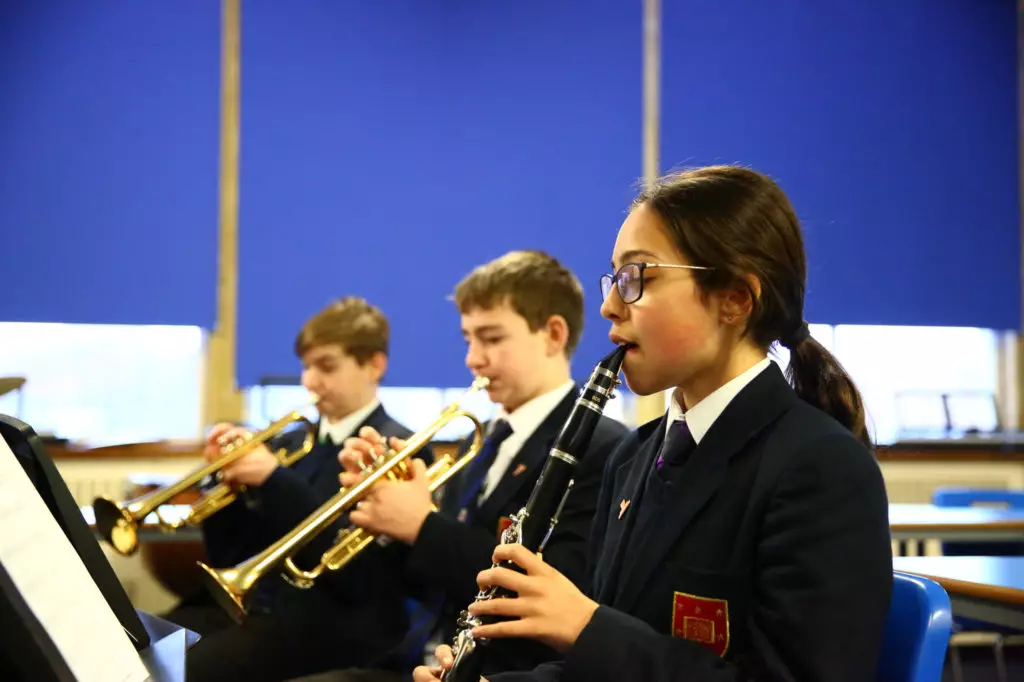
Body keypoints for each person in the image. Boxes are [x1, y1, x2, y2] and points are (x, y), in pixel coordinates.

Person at [415, 165, 893, 682]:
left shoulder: (819, 468)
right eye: (614, 278)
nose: (608, 306)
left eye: (636, 277)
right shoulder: (633, 458)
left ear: (734, 298)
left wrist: (586, 626)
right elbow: (594, 670)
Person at [289, 251, 628, 682]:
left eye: (491, 338)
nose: (472, 359)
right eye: (468, 339)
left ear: (553, 335)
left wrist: (422, 525)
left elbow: (553, 587)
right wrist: (387, 520)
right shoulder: (481, 439)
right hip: (426, 656)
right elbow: (433, 582)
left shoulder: (602, 447)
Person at [167, 296, 431, 682]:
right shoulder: (290, 444)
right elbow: (232, 554)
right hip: (260, 608)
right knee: (142, 642)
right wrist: (225, 483)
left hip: (334, 624)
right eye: (306, 366)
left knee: (187, 670)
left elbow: (358, 578)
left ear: (374, 365)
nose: (309, 381)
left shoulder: (396, 448)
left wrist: (275, 481)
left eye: (326, 366)